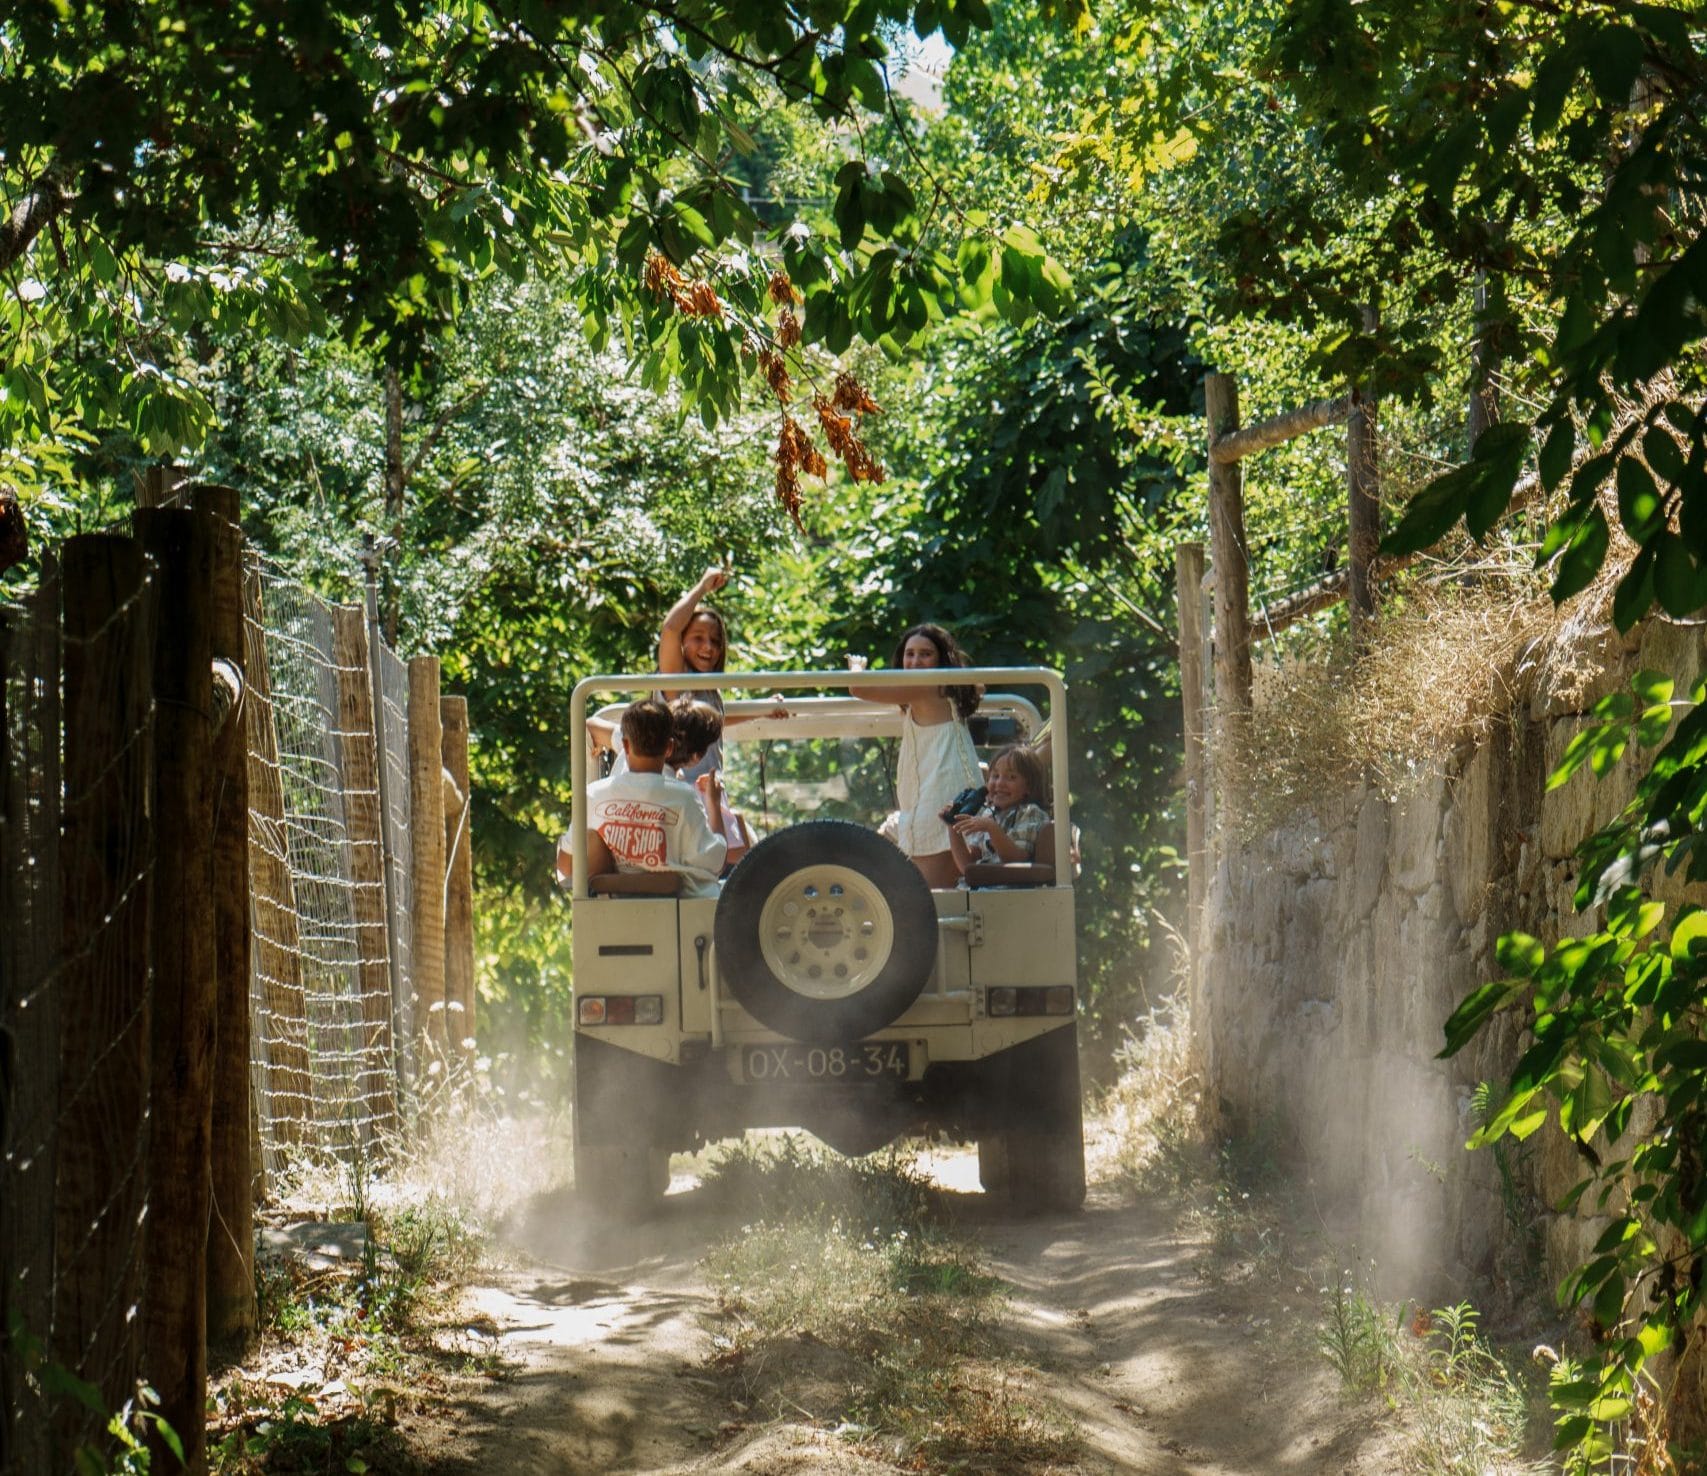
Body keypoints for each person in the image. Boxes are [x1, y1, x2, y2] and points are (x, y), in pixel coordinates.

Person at [852, 622, 982, 889]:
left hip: (940, 797)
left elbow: (857, 688)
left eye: (925, 654)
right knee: (941, 889)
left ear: (941, 660)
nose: (915, 661)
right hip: (947, 792)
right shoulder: (945, 688)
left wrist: (856, 667)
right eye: (909, 654)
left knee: (930, 894)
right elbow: (979, 687)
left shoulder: (926, 687)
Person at [575, 695, 726, 896]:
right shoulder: (683, 798)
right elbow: (715, 862)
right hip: (670, 900)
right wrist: (713, 803)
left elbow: (591, 727)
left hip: (614, 892)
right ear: (696, 756)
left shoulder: (633, 748)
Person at [944, 743, 1050, 882]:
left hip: (1013, 890)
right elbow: (967, 866)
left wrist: (992, 828)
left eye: (1011, 777)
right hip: (984, 889)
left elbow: (1017, 861)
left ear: (1029, 786)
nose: (999, 783)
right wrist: (952, 827)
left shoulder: (1031, 813)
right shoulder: (989, 815)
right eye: (995, 776)